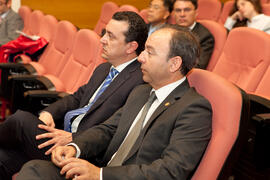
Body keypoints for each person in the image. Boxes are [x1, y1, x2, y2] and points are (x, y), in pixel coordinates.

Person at [17, 24, 212, 180]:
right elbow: (108, 130)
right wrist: (75, 148)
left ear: (174, 64)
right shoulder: (141, 92)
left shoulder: (193, 108)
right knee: (23, 164)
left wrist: (100, 175)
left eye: (150, 52)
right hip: (101, 168)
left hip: (113, 175)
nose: (141, 58)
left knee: (32, 168)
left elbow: (171, 171)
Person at [0, 11, 148, 179]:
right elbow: (77, 97)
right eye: (105, 33)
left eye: (111, 37)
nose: (102, 40)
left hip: (84, 153)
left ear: (131, 47)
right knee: (3, 158)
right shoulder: (104, 68)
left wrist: (74, 139)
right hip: (63, 136)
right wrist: (49, 113)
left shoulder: (140, 81)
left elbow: (116, 130)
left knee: (20, 121)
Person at [173, 0, 214, 69]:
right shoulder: (168, 30)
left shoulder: (205, 37)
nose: (182, 14)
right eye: (178, 10)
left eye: (187, 10)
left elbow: (198, 66)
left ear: (196, 12)